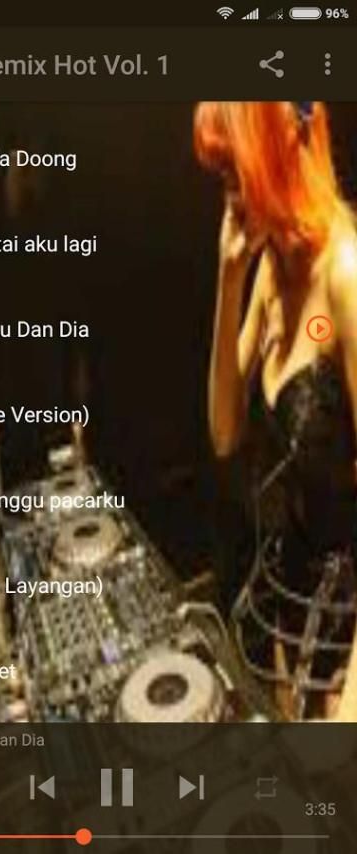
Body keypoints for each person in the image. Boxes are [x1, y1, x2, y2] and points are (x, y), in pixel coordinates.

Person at [194, 101, 357, 720]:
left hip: (346, 644)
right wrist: (229, 277)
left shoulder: (346, 278)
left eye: (236, 171)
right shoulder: (270, 265)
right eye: (222, 176)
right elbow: (223, 433)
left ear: (282, 150)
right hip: (286, 613)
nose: (230, 196)